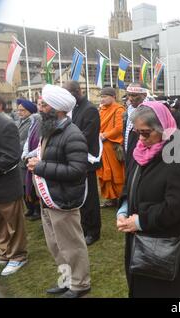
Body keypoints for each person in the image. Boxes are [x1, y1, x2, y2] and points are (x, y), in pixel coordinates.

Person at [116, 102, 180, 298]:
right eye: (137, 132)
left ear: (164, 128)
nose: (141, 139)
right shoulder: (139, 150)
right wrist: (124, 208)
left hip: (168, 241)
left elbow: (178, 206)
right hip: (140, 240)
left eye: (146, 133)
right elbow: (131, 184)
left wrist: (140, 221)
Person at [27, 84, 91, 298]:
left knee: (71, 245)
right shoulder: (50, 129)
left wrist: (40, 167)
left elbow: (77, 170)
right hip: (49, 198)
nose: (40, 108)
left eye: (44, 105)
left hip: (63, 199)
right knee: (56, 246)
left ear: (58, 109)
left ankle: (80, 285)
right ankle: (66, 281)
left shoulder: (72, 134)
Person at [0, 98, 28, 276]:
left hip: (6, 185)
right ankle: (4, 253)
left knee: (14, 224)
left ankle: (18, 256)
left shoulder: (5, 125)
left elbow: (10, 157)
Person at [64, 81, 102, 246]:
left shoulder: (90, 109)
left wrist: (67, 143)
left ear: (78, 91)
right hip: (74, 158)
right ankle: (83, 226)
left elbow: (87, 135)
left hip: (86, 160)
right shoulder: (73, 109)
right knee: (79, 196)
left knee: (90, 197)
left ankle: (93, 231)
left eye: (69, 94)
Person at [97, 87, 125, 208]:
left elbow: (119, 128)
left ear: (113, 97)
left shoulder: (119, 109)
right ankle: (110, 198)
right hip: (101, 146)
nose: (102, 99)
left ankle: (121, 198)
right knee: (105, 174)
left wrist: (105, 135)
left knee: (116, 173)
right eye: (101, 97)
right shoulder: (101, 110)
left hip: (112, 146)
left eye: (105, 96)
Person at [123, 83, 148, 169]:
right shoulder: (128, 109)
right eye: (128, 95)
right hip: (128, 153)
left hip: (143, 154)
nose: (130, 98)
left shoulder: (150, 111)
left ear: (144, 95)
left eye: (134, 95)